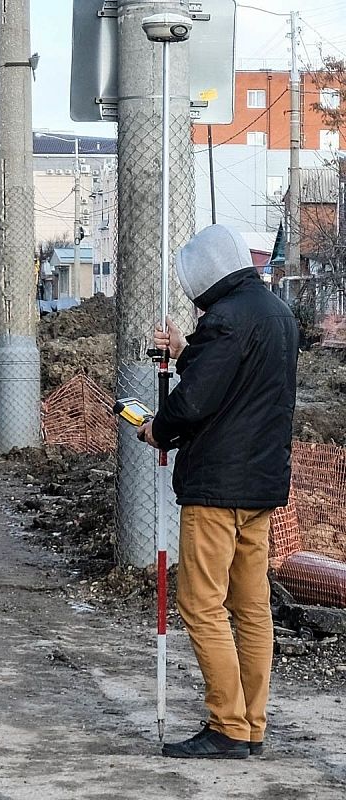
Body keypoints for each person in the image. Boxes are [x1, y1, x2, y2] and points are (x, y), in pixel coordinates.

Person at [138, 224, 297, 759]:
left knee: (201, 603)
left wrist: (158, 429)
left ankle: (225, 724)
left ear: (206, 276)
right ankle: (251, 724)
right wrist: (187, 349)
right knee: (251, 607)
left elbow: (195, 402)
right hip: (261, 486)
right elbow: (235, 379)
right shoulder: (277, 314)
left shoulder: (225, 320)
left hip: (215, 489)